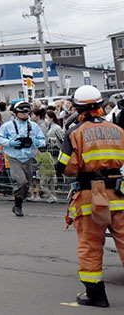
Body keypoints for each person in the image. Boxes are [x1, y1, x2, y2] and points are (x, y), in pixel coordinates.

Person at [55, 85, 124, 308]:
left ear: (77, 107)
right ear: (100, 106)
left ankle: (96, 295)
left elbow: (64, 167)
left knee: (90, 245)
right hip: (119, 193)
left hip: (90, 195)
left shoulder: (74, 132)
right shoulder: (118, 130)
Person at [0, 101, 46, 217]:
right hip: (14, 157)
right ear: (15, 113)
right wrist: (9, 143)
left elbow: (43, 141)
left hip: (28, 157)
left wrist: (36, 141)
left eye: (27, 112)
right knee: (21, 181)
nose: (24, 114)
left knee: (26, 183)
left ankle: (19, 200)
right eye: (21, 112)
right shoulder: (7, 126)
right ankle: (18, 205)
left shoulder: (34, 126)